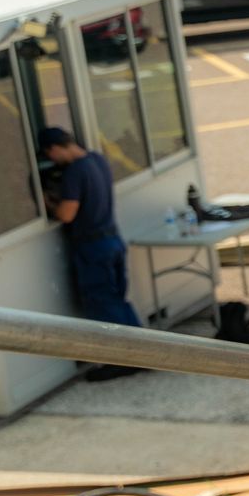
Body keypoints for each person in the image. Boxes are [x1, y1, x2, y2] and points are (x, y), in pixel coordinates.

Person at [41, 127, 145, 380]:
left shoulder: (75, 171)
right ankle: (145, 351)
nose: (53, 161)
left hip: (92, 247)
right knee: (118, 299)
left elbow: (68, 213)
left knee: (103, 303)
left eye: (50, 155)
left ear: (55, 149)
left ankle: (121, 360)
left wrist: (47, 203)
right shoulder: (97, 159)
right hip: (112, 239)